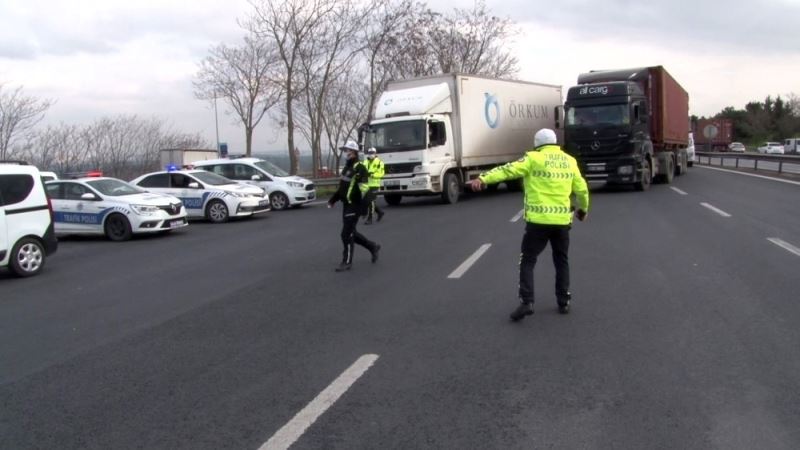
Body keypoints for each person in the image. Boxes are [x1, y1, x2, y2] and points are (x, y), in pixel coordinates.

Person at [468, 128, 590, 322]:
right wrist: (582, 210)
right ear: (555, 142)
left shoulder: (533, 158)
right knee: (561, 260)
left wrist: (483, 178)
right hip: (561, 222)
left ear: (537, 143)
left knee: (528, 260)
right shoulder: (570, 161)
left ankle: (527, 302)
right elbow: (582, 189)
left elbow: (508, 170)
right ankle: (563, 300)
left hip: (538, 222)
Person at [328, 140, 381, 272]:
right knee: (352, 232)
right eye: (345, 150)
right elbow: (343, 188)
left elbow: (365, 190)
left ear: (355, 152)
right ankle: (372, 246)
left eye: (348, 150)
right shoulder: (346, 168)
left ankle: (346, 262)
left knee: (345, 234)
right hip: (346, 204)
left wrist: (363, 209)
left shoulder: (360, 168)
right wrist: (333, 200)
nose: (346, 153)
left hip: (355, 205)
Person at [363, 147, 385, 225]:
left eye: (372, 153)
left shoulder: (379, 162)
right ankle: (380, 212)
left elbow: (381, 173)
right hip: (366, 184)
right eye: (370, 153)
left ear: (375, 153)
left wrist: (372, 175)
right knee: (366, 201)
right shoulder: (365, 162)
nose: (371, 154)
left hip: (374, 184)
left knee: (371, 201)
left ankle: (370, 218)